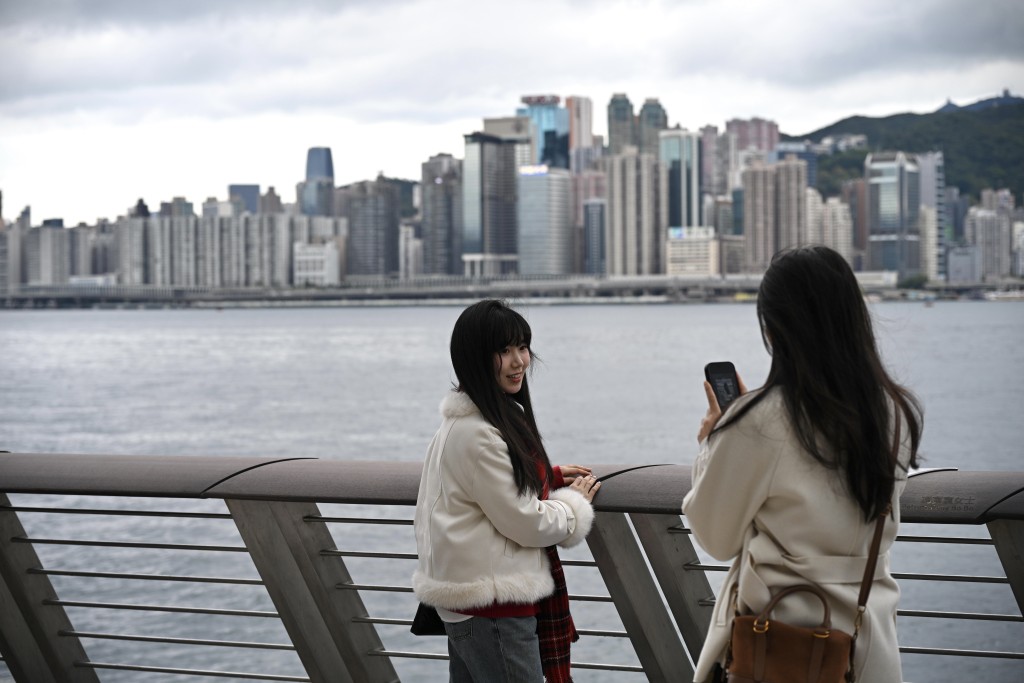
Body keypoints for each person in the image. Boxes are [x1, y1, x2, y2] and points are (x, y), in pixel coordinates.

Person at [682, 246, 922, 683]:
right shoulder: (893, 414)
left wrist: (712, 442)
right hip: (867, 645)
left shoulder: (758, 422)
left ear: (775, 328)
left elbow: (715, 536)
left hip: (778, 643)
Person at [413, 299, 601, 682]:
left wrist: (544, 475)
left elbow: (486, 487)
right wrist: (574, 505)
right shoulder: (481, 434)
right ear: (474, 358)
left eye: (522, 347)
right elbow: (526, 522)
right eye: (503, 350)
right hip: (493, 608)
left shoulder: (464, 424)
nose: (519, 361)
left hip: (470, 602)